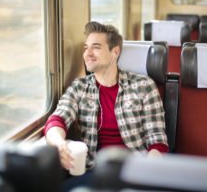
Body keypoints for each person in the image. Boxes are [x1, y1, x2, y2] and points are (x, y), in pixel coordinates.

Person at [44, 21, 169, 191]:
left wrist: (148, 173)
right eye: (85, 48)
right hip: (94, 170)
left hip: (135, 169)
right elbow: (57, 119)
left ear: (115, 52)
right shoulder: (79, 87)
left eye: (95, 47)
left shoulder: (144, 86)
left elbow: (157, 140)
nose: (87, 54)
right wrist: (58, 144)